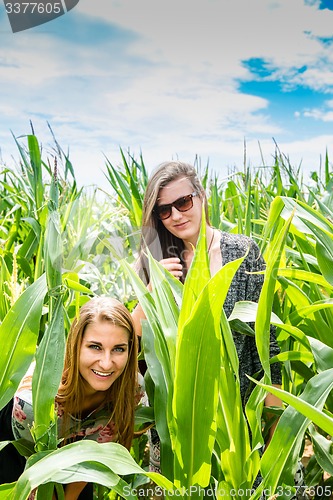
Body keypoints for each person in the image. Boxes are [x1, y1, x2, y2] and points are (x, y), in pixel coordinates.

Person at [132, 161, 307, 496]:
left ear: (201, 196)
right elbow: (130, 343)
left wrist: (273, 425)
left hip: (241, 426)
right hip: (182, 430)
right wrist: (152, 294)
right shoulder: (155, 262)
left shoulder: (244, 254)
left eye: (183, 203)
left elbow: (266, 346)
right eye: (164, 210)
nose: (177, 216)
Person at [0, 297, 142, 499]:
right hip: (18, 449)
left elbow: (93, 455)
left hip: (78, 454)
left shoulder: (131, 390)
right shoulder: (34, 403)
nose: (106, 363)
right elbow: (32, 476)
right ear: (75, 346)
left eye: (118, 349)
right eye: (95, 347)